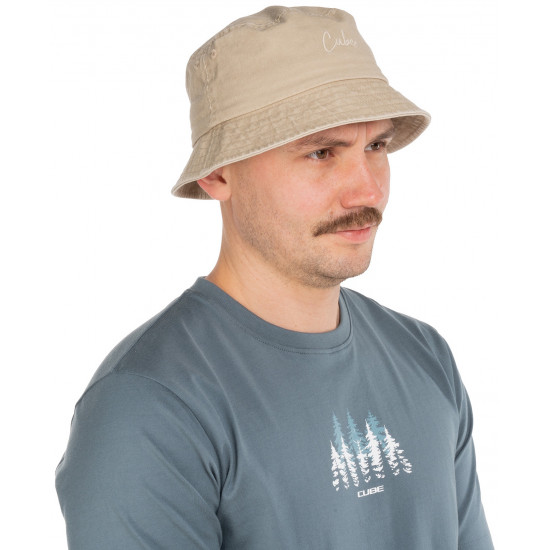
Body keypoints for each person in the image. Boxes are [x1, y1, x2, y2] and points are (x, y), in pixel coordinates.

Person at [55, 6, 493, 549]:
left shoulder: (425, 357)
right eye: (320, 152)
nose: (367, 191)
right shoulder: (148, 407)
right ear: (218, 173)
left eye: (376, 146)